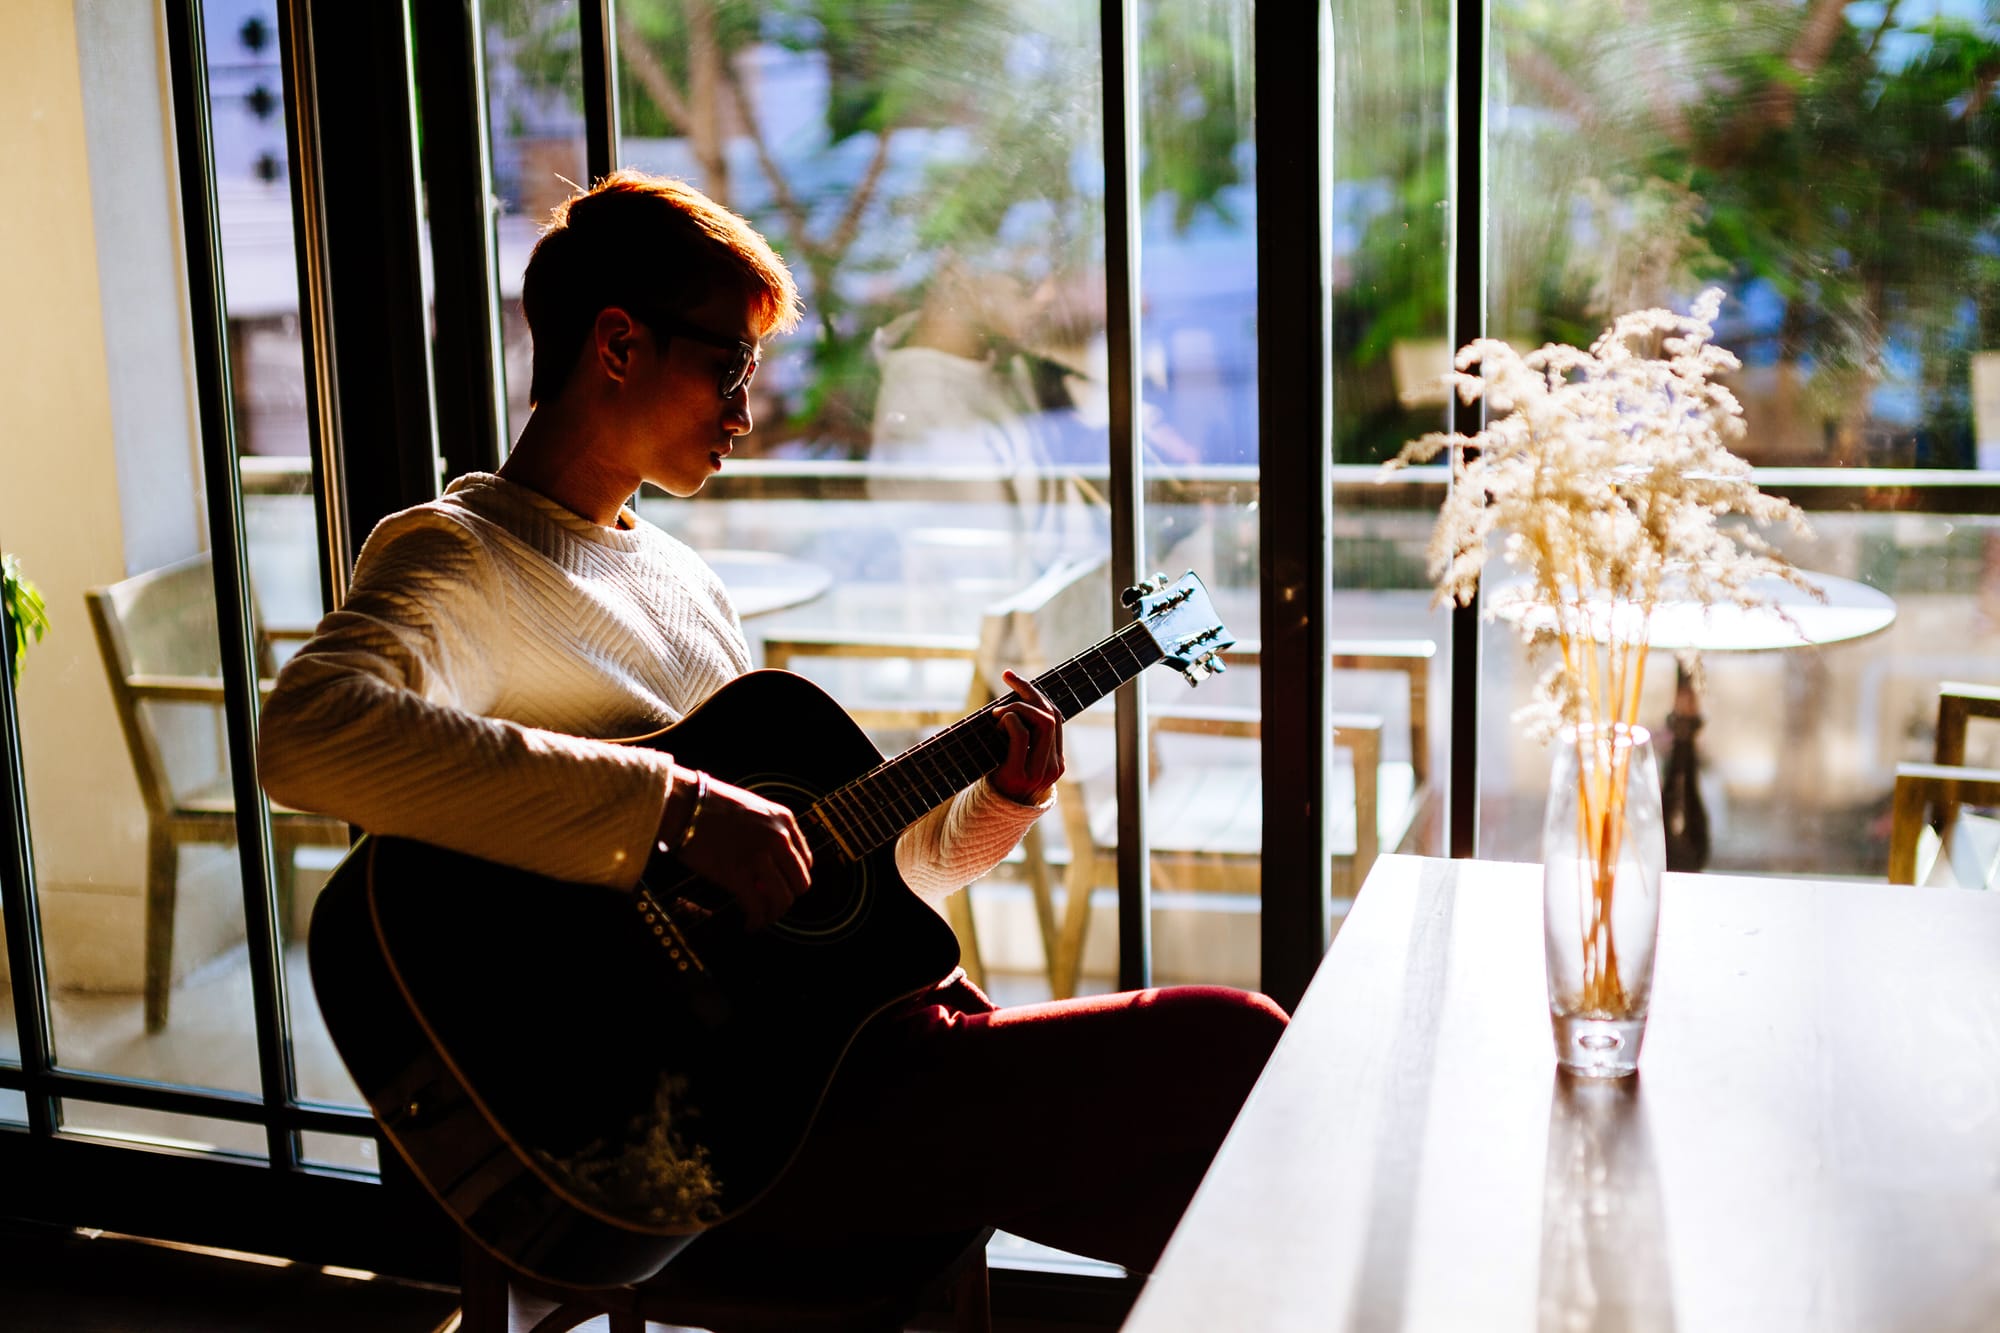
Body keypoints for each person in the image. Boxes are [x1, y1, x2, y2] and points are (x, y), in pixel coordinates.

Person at [259, 169, 1286, 1280]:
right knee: (1233, 1042)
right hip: (712, 1133)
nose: (746, 413)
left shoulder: (685, 579)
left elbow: (817, 904)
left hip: (844, 1062)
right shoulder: (459, 556)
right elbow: (308, 735)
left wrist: (1001, 804)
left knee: (1201, 1202)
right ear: (616, 345)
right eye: (729, 368)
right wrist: (679, 808)